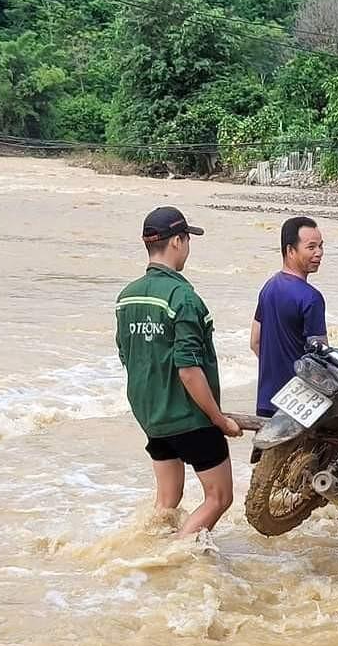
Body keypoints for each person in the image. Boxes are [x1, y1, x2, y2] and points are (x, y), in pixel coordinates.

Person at [116, 207, 243, 538]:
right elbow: (188, 369)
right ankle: (179, 556)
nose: (188, 247)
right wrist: (219, 419)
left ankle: (150, 566)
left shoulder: (126, 297)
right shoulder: (183, 297)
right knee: (219, 497)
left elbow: (127, 355)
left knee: (168, 502)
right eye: (187, 240)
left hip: (152, 417)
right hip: (191, 418)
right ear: (177, 241)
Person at [250, 216, 326, 418]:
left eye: (320, 246)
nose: (318, 253)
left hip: (266, 401)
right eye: (311, 247)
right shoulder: (311, 298)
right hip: (297, 408)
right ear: (290, 250)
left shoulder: (268, 288)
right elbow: (320, 359)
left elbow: (255, 341)